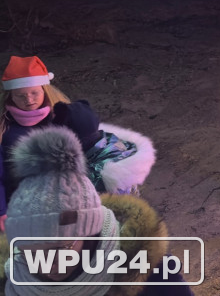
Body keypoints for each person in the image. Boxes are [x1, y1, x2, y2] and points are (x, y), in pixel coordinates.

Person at [0, 126, 192, 295]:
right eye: (32, 254)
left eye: (59, 249)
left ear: (89, 231)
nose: (46, 264)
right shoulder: (14, 277)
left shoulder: (147, 266)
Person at [0, 56, 156, 231]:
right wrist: (2, 211)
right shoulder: (5, 130)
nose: (29, 100)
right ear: (10, 96)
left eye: (34, 92)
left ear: (44, 89)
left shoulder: (60, 116)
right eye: (20, 96)